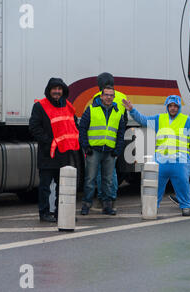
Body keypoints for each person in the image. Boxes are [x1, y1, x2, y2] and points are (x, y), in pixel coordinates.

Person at [123, 95, 190, 216]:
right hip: (161, 160)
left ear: (179, 107)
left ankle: (186, 206)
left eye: (175, 106)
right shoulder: (159, 119)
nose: (173, 108)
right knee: (156, 187)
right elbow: (143, 120)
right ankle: (152, 207)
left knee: (183, 184)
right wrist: (132, 110)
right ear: (167, 107)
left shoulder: (186, 120)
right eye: (170, 106)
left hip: (180, 160)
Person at [29, 78, 80, 222]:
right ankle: (44, 213)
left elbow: (73, 124)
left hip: (64, 153)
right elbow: (34, 127)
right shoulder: (40, 106)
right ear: (49, 90)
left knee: (62, 186)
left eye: (59, 89)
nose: (57, 92)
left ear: (63, 91)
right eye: (54, 89)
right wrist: (50, 141)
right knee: (45, 186)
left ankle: (60, 212)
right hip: (47, 153)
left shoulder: (68, 106)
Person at [79, 86, 126, 215]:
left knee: (108, 180)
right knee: (90, 180)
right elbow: (82, 128)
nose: (109, 97)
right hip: (94, 150)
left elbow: (120, 134)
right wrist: (86, 146)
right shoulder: (91, 109)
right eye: (106, 95)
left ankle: (107, 207)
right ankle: (86, 206)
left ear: (114, 97)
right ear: (101, 96)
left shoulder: (118, 112)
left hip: (110, 152)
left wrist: (117, 150)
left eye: (111, 95)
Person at [93, 73, 128, 212]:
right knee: (111, 171)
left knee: (102, 172)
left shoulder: (98, 96)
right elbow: (124, 120)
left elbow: (94, 117)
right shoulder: (122, 96)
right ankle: (112, 198)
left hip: (101, 139)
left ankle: (103, 199)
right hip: (115, 139)